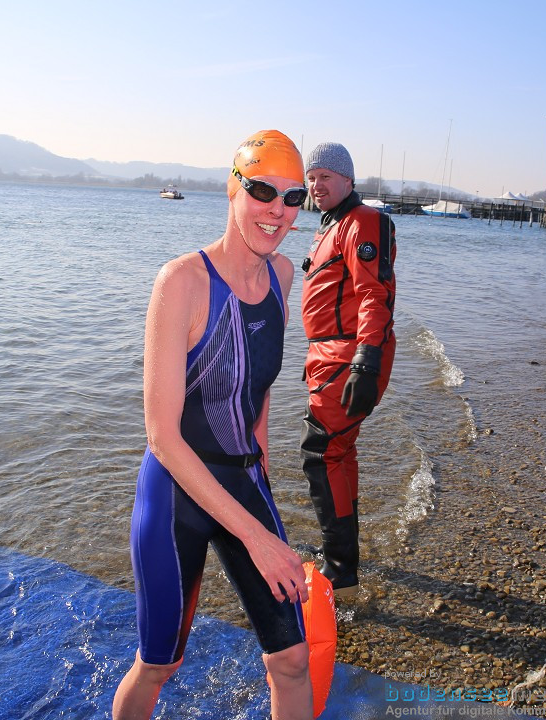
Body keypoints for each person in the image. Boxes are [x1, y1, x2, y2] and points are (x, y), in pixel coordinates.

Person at [113, 130, 313, 720]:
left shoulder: (282, 276)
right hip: (176, 493)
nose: (277, 210)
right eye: (261, 190)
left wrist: (263, 471)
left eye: (292, 196)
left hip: (242, 481)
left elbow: (257, 382)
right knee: (159, 665)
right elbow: (162, 435)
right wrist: (258, 538)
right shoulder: (181, 283)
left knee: (293, 660)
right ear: (232, 189)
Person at [300, 142, 396, 597]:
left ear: (348, 180)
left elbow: (374, 294)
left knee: (321, 453)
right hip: (329, 357)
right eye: (311, 177)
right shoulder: (333, 225)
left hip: (346, 358)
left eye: (325, 176)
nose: (316, 185)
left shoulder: (363, 223)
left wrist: (366, 359)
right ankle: (345, 559)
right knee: (338, 454)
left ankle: (339, 569)